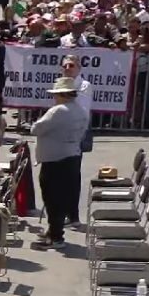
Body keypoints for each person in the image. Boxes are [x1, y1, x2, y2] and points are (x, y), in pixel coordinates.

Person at [31, 77, 87, 248]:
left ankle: (56, 236)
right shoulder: (80, 110)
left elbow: (36, 129)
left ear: (62, 95)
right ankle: (54, 231)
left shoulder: (58, 111)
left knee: (52, 198)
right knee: (61, 197)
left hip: (55, 159)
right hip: (71, 156)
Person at [60, 55, 93, 225]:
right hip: (61, 135)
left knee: (73, 175)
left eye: (71, 65)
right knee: (62, 175)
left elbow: (80, 110)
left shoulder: (84, 86)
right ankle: (64, 211)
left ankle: (73, 215)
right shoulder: (60, 84)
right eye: (64, 66)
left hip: (76, 135)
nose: (67, 68)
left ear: (79, 68)